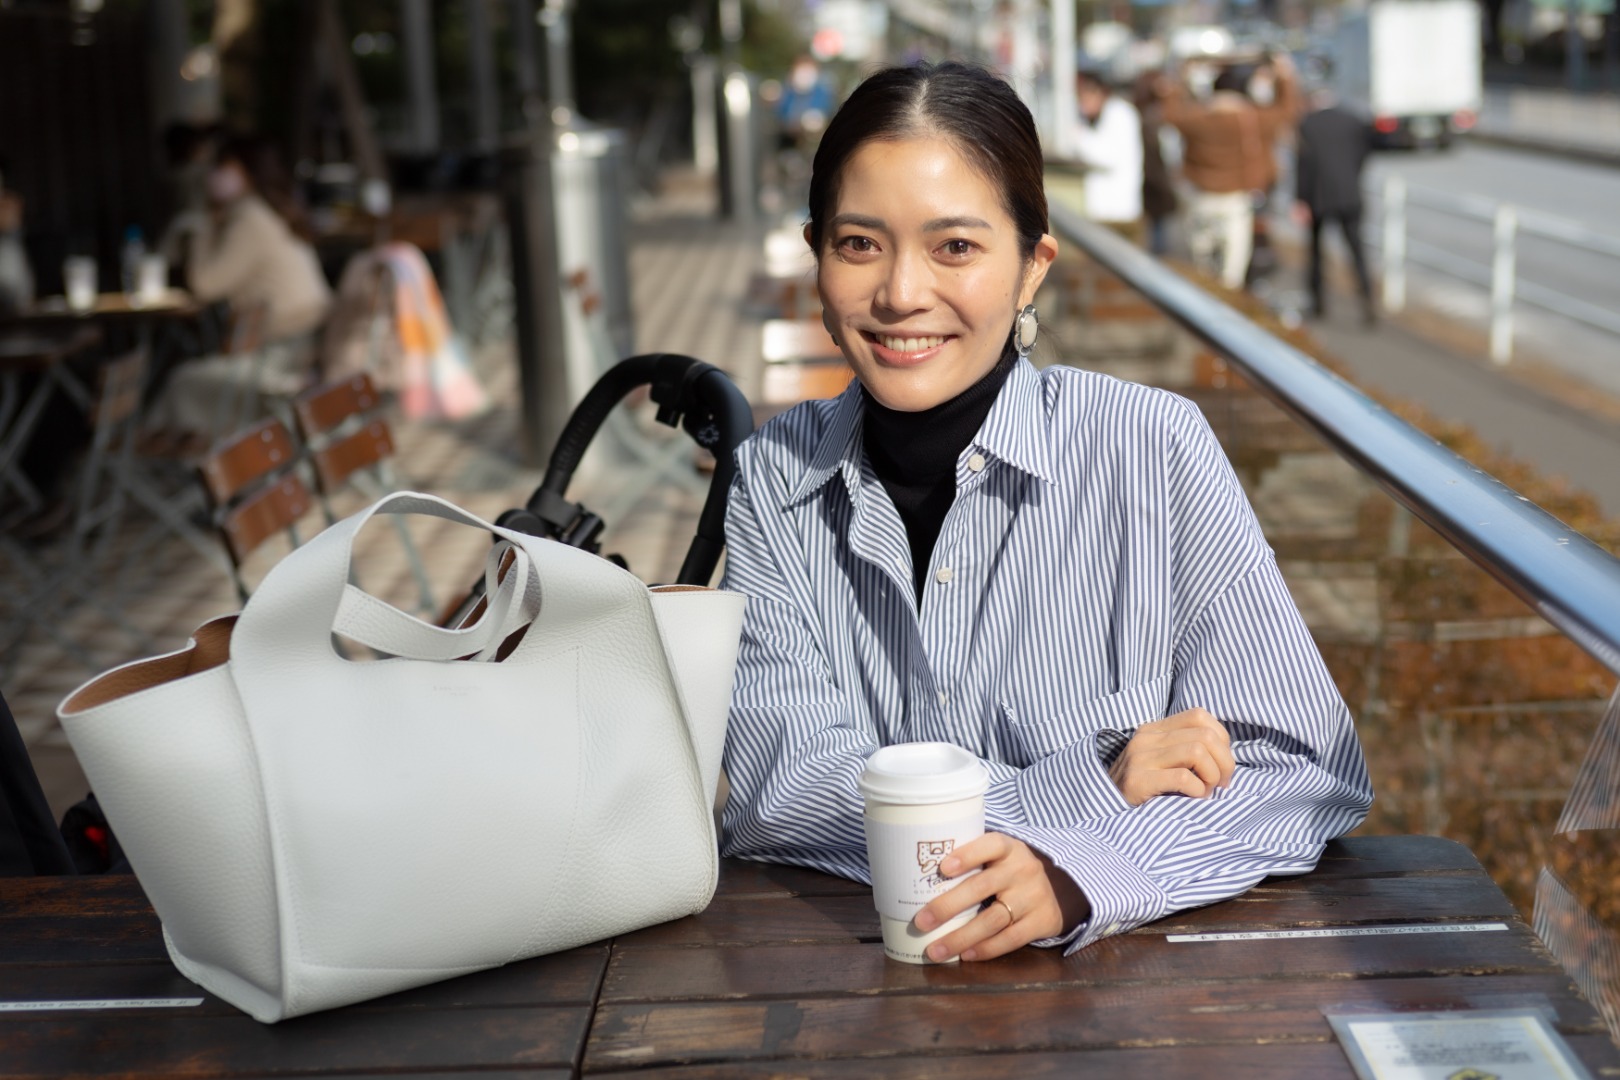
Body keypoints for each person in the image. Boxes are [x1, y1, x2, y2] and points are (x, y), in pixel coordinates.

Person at [718, 61, 1372, 963]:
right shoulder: (771, 482)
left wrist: (1076, 875)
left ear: (1033, 266)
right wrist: (1092, 789)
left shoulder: (1151, 451)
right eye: (860, 243)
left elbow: (1299, 769)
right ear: (818, 254)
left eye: (955, 248)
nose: (901, 292)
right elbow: (777, 789)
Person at [152, 137, 332, 435]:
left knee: (182, 380)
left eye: (220, 167)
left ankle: (164, 467)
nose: (212, 176)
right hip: (301, 346)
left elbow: (205, 285)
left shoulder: (250, 217)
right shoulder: (271, 208)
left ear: (245, 171)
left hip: (282, 354)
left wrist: (200, 226)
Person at [1156, 55, 1297, 290]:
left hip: (1200, 199)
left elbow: (1169, 114)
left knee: (1202, 272)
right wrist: (1283, 75)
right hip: (1237, 200)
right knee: (1231, 275)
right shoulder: (1254, 118)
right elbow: (1287, 109)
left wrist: (1179, 77)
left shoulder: (1196, 117)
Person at [1295, 84, 1376, 325]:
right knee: (1357, 250)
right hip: (1350, 195)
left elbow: (1303, 166)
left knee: (1316, 253)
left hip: (1318, 198)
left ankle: (1318, 303)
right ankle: (1367, 301)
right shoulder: (1353, 120)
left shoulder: (1307, 124)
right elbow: (1363, 155)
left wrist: (1300, 199)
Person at [1067, 69, 1144, 242]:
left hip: (1117, 211)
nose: (1081, 104)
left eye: (1083, 97)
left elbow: (1107, 157)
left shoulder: (1120, 114)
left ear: (1097, 92)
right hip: (1109, 210)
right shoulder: (1108, 114)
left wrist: (1077, 135)